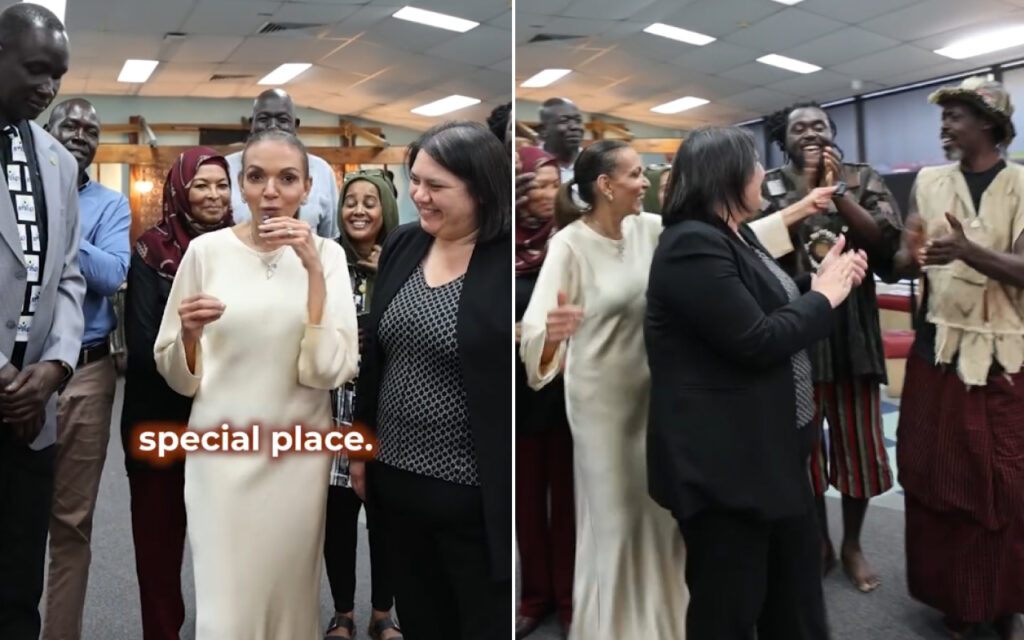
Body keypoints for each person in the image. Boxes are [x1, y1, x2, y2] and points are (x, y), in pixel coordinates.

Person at [647, 126, 868, 639]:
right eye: (752, 167)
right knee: (729, 607)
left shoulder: (735, 235)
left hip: (767, 458)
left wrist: (816, 282)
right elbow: (757, 339)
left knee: (794, 599)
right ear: (725, 177)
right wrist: (824, 297)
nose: (761, 179)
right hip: (725, 469)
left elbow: (763, 300)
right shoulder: (690, 246)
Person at [154, 130, 358, 639]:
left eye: (287, 178)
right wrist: (192, 336)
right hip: (221, 455)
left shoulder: (329, 257)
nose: (271, 190)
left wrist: (312, 272)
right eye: (257, 176)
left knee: (289, 598)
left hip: (295, 455)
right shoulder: (206, 252)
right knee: (227, 605)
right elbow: (173, 367)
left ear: (307, 187)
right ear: (241, 187)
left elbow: (328, 369)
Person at [519, 140, 688, 640]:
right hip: (600, 406)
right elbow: (535, 328)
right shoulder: (569, 243)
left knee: (658, 514)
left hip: (652, 398)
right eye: (636, 174)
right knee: (614, 519)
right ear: (605, 186)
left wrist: (791, 215)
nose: (646, 182)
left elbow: (713, 244)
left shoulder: (651, 230)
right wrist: (550, 334)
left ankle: (664, 622)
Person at [350, 121, 511, 640]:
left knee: (478, 623)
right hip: (395, 485)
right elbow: (377, 355)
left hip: (472, 494)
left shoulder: (507, 263)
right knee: (422, 620)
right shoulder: (404, 245)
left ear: (482, 188)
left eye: (435, 186)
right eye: (414, 179)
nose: (418, 194)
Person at [751, 101, 903, 591]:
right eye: (800, 127)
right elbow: (756, 250)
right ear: (784, 139)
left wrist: (837, 195)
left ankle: (854, 544)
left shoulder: (861, 177)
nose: (811, 133)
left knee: (859, 444)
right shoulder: (770, 185)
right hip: (795, 328)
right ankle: (817, 540)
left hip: (853, 333)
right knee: (804, 447)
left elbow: (883, 246)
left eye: (820, 125)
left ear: (833, 131)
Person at [893, 76, 1024, 640]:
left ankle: (1005, 601)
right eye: (942, 116)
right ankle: (958, 601)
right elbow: (908, 252)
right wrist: (909, 252)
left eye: (956, 116)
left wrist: (969, 252)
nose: (944, 126)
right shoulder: (928, 180)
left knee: (1004, 485)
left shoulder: (1021, 184)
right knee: (936, 479)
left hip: (1002, 361)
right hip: (937, 354)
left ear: (989, 124)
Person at [121, 146, 235, 640]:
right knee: (159, 551)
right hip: (162, 422)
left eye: (222, 185)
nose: (213, 195)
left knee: (227, 553)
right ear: (179, 190)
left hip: (228, 423)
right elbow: (147, 348)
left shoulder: (244, 247)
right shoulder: (152, 250)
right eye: (201, 185)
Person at [0, 5, 84, 639]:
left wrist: (54, 366)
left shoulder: (56, 159)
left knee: (19, 580)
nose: (49, 89)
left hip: (32, 412)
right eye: (35, 70)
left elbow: (70, 275)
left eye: (57, 74)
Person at [41, 98, 130, 640]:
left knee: (71, 524)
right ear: (47, 130)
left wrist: (65, 221)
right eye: (68, 125)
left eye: (90, 129)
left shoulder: (110, 204)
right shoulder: (17, 191)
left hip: (87, 373)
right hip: (15, 373)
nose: (79, 134)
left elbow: (112, 274)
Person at [323, 168, 401, 640]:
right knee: (338, 516)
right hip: (333, 405)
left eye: (370, 201)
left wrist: (383, 274)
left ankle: (382, 613)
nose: (359, 210)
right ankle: (343, 612)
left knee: (386, 517)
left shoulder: (407, 259)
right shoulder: (326, 257)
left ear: (386, 209)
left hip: (389, 406)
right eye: (351, 201)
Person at [514, 147, 574, 640]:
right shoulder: (496, 250)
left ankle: (573, 596)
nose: (546, 194)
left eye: (555, 183)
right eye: (536, 183)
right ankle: (534, 597)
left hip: (573, 394)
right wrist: (518, 333)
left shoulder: (573, 244)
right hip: (518, 398)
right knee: (528, 508)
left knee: (572, 505)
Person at [225, 88, 340, 239]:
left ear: (295, 125)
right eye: (264, 119)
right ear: (251, 124)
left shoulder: (321, 170)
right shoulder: (226, 168)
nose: (273, 126)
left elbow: (330, 237)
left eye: (282, 120)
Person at [538, 98, 583, 183]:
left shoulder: (595, 162)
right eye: (564, 121)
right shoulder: (529, 164)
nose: (575, 127)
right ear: (543, 130)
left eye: (578, 121)